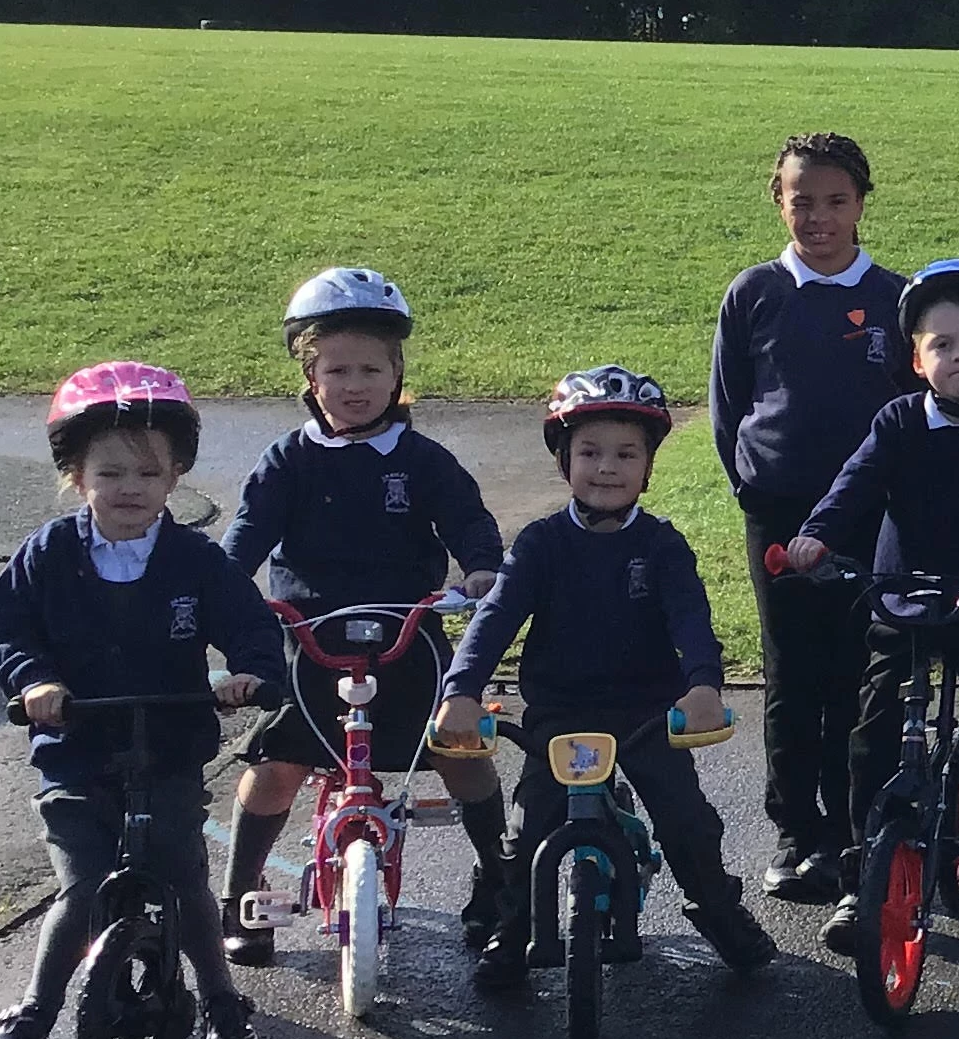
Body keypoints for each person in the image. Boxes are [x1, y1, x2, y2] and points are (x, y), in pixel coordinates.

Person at [0, 364, 286, 1039]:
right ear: (75, 474)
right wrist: (35, 682)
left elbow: (248, 624)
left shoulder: (194, 560)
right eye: (109, 471)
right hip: (77, 750)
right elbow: (9, 627)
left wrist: (250, 675)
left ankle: (220, 1001)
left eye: (148, 473)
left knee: (183, 880)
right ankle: (34, 1011)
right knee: (81, 885)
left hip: (169, 749)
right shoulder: (48, 556)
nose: (129, 488)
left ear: (176, 475)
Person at [438, 368, 778, 985]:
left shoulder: (662, 545)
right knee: (526, 829)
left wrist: (703, 683)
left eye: (627, 454)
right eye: (589, 453)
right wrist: (461, 690)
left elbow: (691, 620)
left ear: (648, 467)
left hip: (647, 712)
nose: (606, 468)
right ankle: (511, 931)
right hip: (560, 712)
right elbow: (494, 619)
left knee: (687, 823)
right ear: (564, 461)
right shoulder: (540, 545)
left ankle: (719, 910)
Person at [785, 260, 959, 975]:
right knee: (873, 733)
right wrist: (817, 535)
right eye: (942, 344)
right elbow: (854, 484)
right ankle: (860, 882)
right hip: (902, 596)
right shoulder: (899, 422)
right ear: (916, 358)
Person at [218, 267, 510, 961]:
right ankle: (239, 894)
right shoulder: (287, 461)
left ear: (397, 373)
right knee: (277, 760)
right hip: (310, 635)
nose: (355, 385)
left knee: (459, 748)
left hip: (405, 636)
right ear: (310, 377)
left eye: (371, 369)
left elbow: (468, 522)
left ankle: (499, 877)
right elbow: (244, 541)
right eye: (337, 370)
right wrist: (224, 591)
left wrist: (479, 569)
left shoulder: (420, 459)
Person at [709, 133, 909, 905]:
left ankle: (855, 830)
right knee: (792, 672)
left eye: (835, 201)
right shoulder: (754, 292)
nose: (818, 217)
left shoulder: (894, 297)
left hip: (867, 514)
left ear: (861, 203)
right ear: (778, 200)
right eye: (802, 202)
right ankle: (797, 833)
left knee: (860, 673)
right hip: (782, 515)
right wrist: (757, 488)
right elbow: (730, 411)